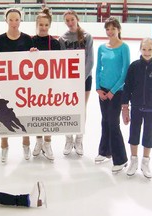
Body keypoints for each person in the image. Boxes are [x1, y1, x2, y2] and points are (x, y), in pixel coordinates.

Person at [121, 38, 152, 179]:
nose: (147, 52)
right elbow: (127, 87)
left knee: (148, 135)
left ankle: (145, 162)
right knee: (134, 134)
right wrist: (125, 107)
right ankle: (133, 161)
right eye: (144, 49)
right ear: (140, 49)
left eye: (150, 49)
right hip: (136, 107)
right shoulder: (134, 67)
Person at [0, 8, 34, 163]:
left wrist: (34, 53)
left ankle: (26, 144)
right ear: (6, 21)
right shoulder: (0, 40)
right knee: (4, 114)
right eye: (11, 20)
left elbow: (31, 62)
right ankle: (4, 146)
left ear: (20, 20)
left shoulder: (27, 39)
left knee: (24, 112)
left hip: (23, 84)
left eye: (16, 20)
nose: (14, 23)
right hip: (5, 83)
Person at [95, 16, 130, 173]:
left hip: (116, 92)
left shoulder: (124, 48)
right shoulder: (102, 47)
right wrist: (97, 87)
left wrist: (113, 91)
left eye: (113, 29)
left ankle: (121, 159)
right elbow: (98, 69)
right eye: (107, 29)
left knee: (113, 124)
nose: (110, 32)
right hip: (102, 90)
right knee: (105, 121)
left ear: (118, 29)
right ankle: (105, 151)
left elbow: (125, 72)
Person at [58, 10, 94, 157]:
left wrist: (81, 78)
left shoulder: (87, 36)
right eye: (67, 20)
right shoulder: (63, 39)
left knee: (81, 108)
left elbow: (90, 60)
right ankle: (68, 139)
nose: (70, 22)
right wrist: (70, 80)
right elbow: (61, 60)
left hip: (85, 79)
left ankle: (79, 139)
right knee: (68, 109)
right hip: (69, 80)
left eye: (72, 19)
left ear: (77, 19)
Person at [31, 7, 61, 161]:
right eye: (40, 25)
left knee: (49, 113)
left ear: (49, 26)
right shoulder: (30, 41)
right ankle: (38, 141)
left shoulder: (55, 43)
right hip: (34, 85)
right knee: (36, 114)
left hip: (50, 84)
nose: (43, 28)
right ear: (37, 25)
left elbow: (59, 65)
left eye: (46, 25)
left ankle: (47, 142)